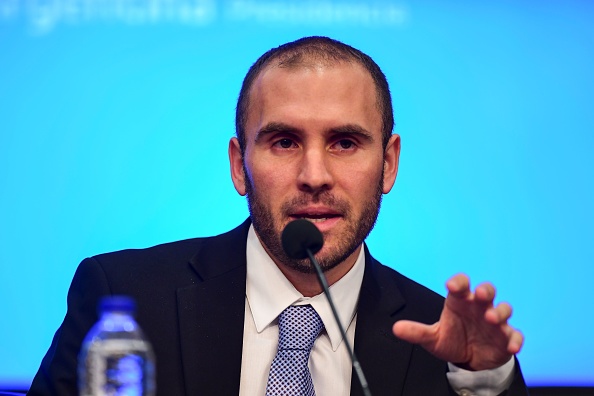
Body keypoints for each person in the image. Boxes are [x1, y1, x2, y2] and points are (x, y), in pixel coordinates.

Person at [28, 36, 527, 395]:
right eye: (284, 142)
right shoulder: (123, 295)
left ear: (389, 163)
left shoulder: (445, 343)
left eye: (345, 142)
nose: (314, 175)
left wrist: (487, 382)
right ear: (239, 166)